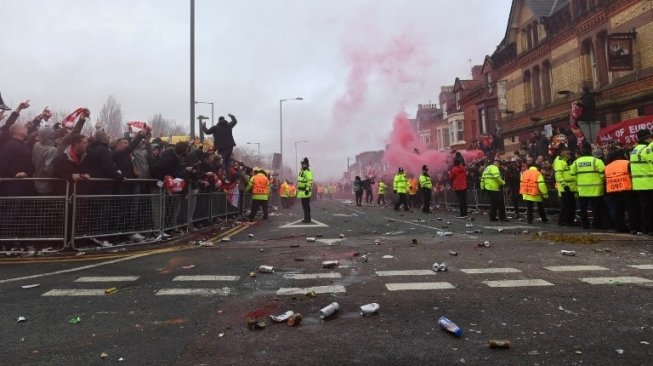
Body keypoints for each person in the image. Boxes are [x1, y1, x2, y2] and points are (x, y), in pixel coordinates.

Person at [571, 142, 605, 229]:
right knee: (596, 209)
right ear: (591, 150)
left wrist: (579, 182)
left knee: (583, 209)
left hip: (582, 189)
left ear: (582, 151)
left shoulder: (576, 162)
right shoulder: (596, 161)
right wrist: (600, 181)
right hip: (596, 189)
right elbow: (603, 174)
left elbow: (572, 174)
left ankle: (585, 225)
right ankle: (596, 225)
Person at [605, 150, 640, 233]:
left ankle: (620, 228)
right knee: (631, 210)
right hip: (627, 190)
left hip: (613, 191)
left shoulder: (607, 166)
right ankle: (634, 228)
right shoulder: (627, 163)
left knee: (618, 212)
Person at [630, 128, 653, 235]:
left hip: (639, 184)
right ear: (647, 138)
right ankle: (649, 228)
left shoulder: (634, 150)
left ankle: (646, 228)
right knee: (649, 208)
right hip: (649, 183)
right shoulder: (647, 149)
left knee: (644, 207)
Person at [553, 146, 577, 226]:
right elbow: (558, 175)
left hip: (570, 187)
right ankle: (566, 221)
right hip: (566, 188)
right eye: (567, 153)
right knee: (567, 206)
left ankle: (567, 221)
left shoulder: (565, 161)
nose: (569, 154)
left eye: (569, 153)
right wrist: (564, 185)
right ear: (562, 153)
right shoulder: (560, 161)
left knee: (569, 206)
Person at [297, 157, 313, 223]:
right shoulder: (301, 172)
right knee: (304, 206)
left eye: (304, 164)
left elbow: (309, 182)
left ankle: (308, 218)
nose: (303, 165)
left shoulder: (308, 172)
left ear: (307, 165)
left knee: (306, 206)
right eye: (302, 164)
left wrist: (307, 189)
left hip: (305, 191)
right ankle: (306, 217)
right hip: (301, 192)